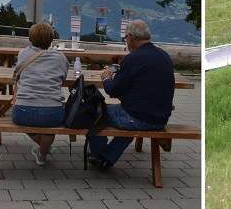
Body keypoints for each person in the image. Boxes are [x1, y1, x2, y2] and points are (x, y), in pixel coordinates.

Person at [88, 20, 175, 170]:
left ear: (131, 37)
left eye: (125, 38)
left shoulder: (133, 58)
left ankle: (99, 155)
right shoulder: (164, 56)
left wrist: (106, 78)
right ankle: (107, 158)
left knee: (93, 112)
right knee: (131, 113)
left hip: (137, 118)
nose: (126, 41)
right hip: (160, 118)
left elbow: (113, 90)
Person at [12, 23, 69, 166]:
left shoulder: (23, 54)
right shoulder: (60, 57)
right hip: (52, 112)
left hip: (23, 111)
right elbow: (63, 78)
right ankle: (43, 153)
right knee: (49, 127)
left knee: (25, 121)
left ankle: (43, 148)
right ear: (51, 39)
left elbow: (17, 75)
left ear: (30, 38)